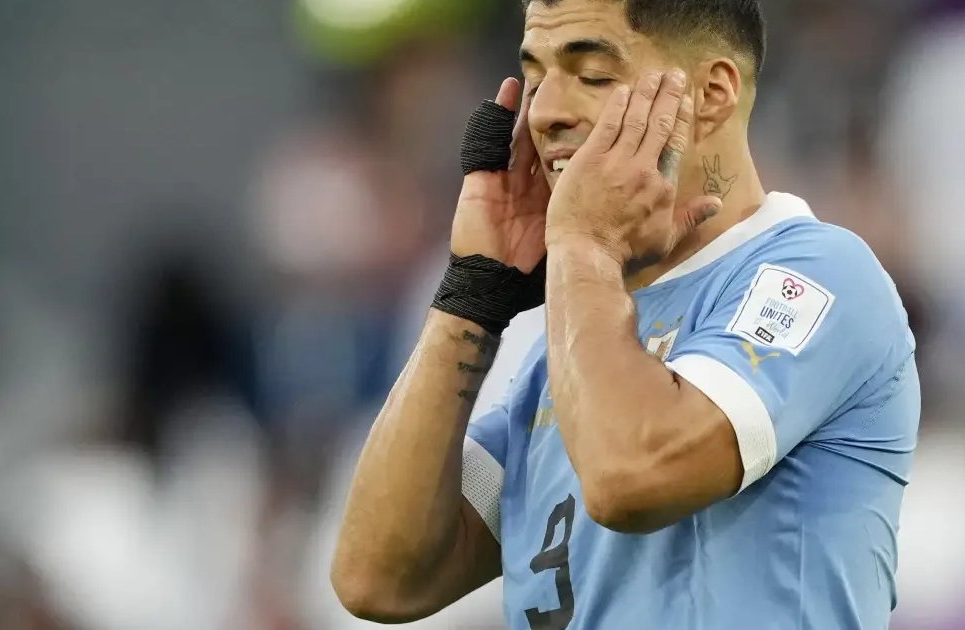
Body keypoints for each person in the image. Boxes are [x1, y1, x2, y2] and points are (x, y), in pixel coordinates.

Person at [330, 0, 920, 628]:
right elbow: (378, 578)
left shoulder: (818, 274)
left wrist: (584, 246)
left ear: (711, 95)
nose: (546, 112)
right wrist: (474, 292)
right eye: (535, 79)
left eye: (593, 75)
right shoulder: (566, 355)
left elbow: (629, 477)